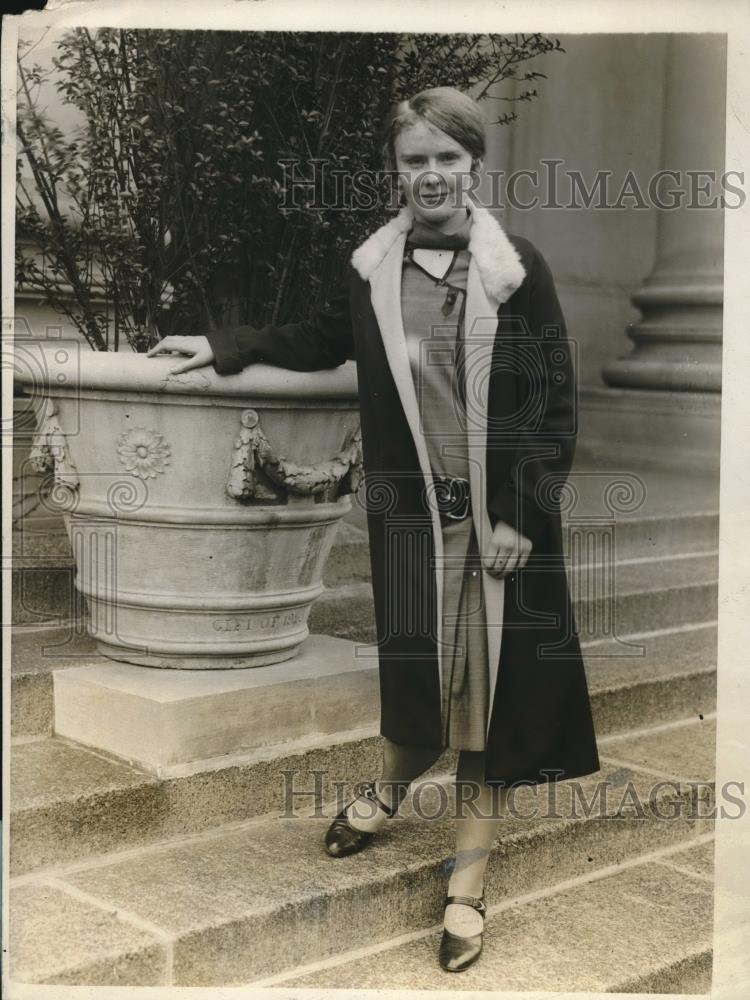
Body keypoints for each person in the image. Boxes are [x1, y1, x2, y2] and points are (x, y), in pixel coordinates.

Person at [147, 86, 600, 974]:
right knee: (416, 687)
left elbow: (553, 400)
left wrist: (522, 514)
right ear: (395, 170)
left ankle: (467, 885)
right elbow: (319, 337)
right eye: (414, 160)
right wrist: (224, 346)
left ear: (473, 164)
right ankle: (386, 791)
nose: (431, 174)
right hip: (412, 525)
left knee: (488, 706)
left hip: (501, 529)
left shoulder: (517, 270)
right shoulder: (372, 272)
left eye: (446, 158)